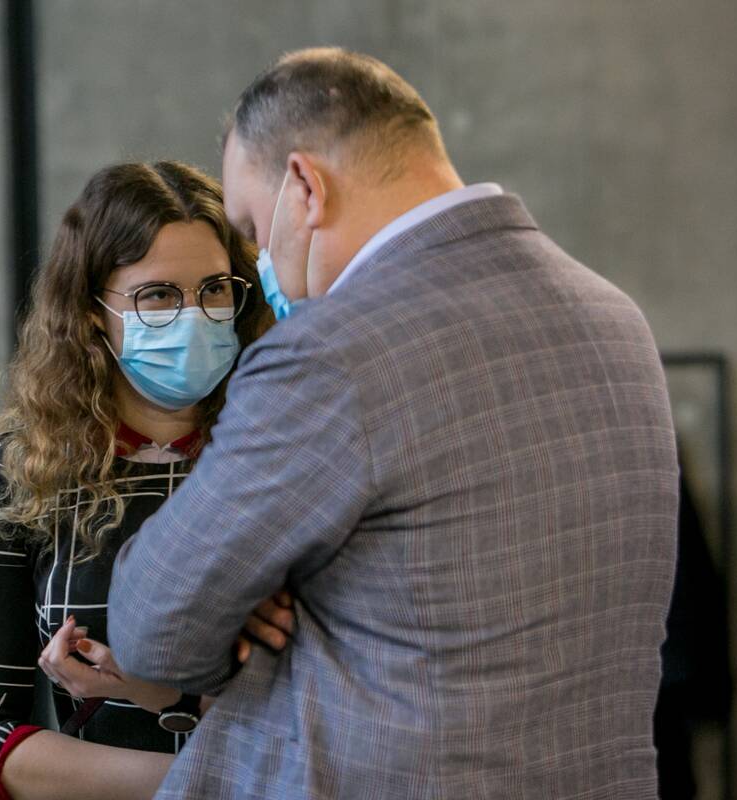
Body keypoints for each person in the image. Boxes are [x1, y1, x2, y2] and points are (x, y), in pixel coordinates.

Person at [108, 48, 679, 798]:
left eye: (252, 227)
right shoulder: (615, 318)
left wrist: (246, 607)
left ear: (305, 186)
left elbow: (155, 628)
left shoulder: (331, 351)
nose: (260, 259)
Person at [0, 160, 287, 800]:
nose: (195, 316)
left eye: (214, 288)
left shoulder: (283, 449)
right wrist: (191, 787)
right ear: (92, 310)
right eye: (158, 296)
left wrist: (169, 701)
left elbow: (341, 699)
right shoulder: (25, 466)